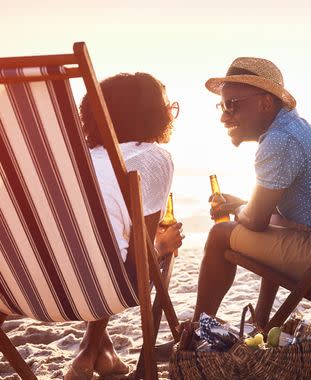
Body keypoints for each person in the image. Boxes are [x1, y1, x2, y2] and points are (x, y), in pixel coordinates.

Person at [193, 57, 311, 328]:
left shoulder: (279, 141)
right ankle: (261, 319)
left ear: (265, 103)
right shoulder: (296, 130)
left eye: (232, 105)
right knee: (271, 223)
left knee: (220, 236)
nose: (223, 116)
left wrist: (240, 210)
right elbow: (266, 216)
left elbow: (255, 221)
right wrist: (245, 205)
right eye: (221, 106)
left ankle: (198, 330)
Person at [65, 73, 184, 379]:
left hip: (23, 287)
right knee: (128, 260)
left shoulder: (70, 159)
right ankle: (97, 352)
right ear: (154, 116)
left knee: (94, 254)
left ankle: (94, 350)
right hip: (101, 287)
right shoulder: (152, 158)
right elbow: (138, 262)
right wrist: (161, 245)